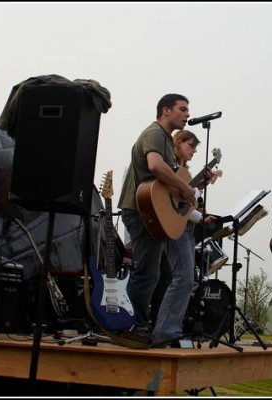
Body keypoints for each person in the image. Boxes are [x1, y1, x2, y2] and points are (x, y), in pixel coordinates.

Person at [117, 93, 196, 343]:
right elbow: (155, 166)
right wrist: (185, 189)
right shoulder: (154, 134)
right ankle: (133, 325)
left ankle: (145, 325)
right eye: (182, 109)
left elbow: (164, 184)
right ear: (165, 110)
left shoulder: (166, 139)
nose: (187, 114)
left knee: (157, 274)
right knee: (146, 272)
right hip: (139, 209)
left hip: (152, 211)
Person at [151, 129, 216, 345]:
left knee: (186, 280)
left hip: (186, 227)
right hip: (175, 228)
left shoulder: (184, 173)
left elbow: (182, 205)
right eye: (191, 146)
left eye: (196, 148)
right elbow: (168, 202)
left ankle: (171, 330)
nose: (194, 151)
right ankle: (165, 332)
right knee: (183, 278)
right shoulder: (170, 168)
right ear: (178, 143)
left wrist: (199, 217)